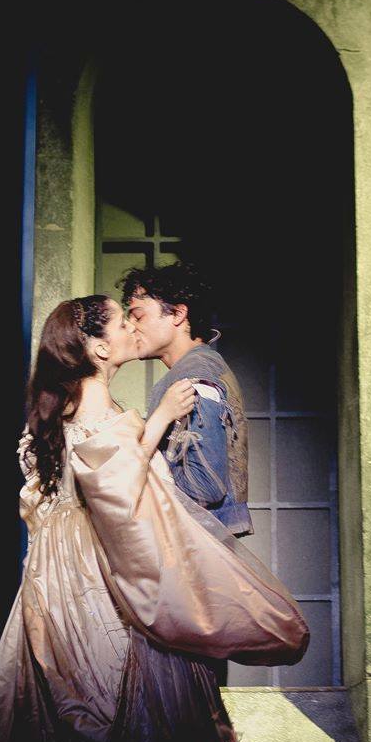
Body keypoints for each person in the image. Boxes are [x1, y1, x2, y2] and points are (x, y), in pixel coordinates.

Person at [0, 294, 309, 742]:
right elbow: (113, 493)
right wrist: (158, 421)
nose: (133, 329)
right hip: (97, 574)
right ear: (98, 348)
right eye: (122, 321)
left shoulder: (74, 407)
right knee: (119, 706)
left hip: (61, 573)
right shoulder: (93, 410)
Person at [121, 262, 253, 687]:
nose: (131, 327)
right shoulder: (198, 369)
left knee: (188, 693)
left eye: (138, 315)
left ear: (177, 314)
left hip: (194, 555)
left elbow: (205, 484)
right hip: (198, 554)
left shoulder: (195, 376)